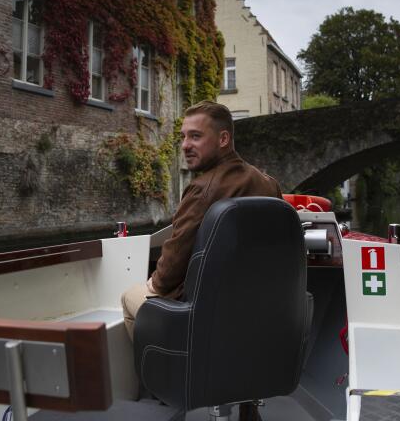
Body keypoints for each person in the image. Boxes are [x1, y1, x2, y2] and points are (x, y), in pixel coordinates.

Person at [121, 101, 282, 337]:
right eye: (183, 137)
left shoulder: (202, 190)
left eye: (195, 137)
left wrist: (152, 284)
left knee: (129, 297)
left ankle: (168, 371)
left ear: (223, 139)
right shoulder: (269, 183)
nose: (185, 145)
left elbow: (168, 273)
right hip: (258, 307)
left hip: (209, 314)